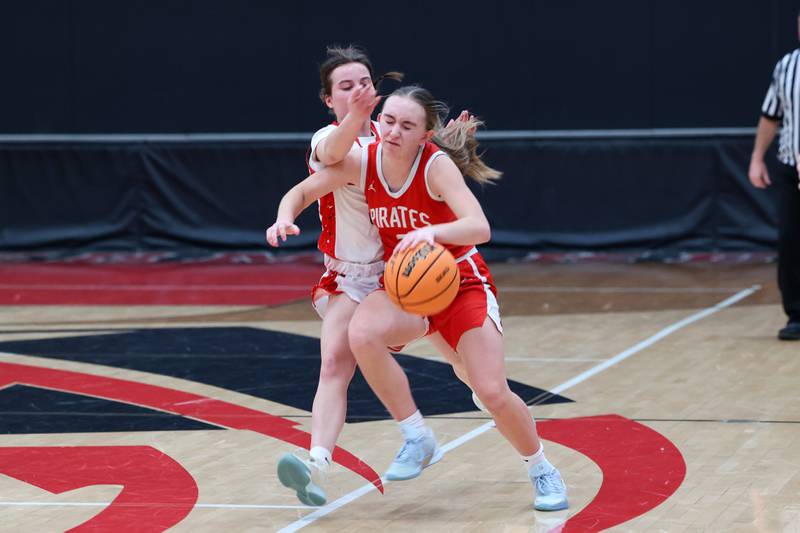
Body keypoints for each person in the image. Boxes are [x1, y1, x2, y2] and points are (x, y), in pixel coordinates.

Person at [268, 85, 568, 512]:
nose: (392, 132)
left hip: (460, 282)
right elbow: (304, 189)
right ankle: (416, 434)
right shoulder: (366, 159)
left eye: (406, 126)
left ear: (425, 135)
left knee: (491, 391)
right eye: (388, 121)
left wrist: (432, 233)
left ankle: (540, 467)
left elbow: (479, 228)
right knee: (362, 333)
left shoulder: (436, 166)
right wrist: (283, 217)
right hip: (408, 285)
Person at [269, 45, 400, 506]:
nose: (357, 91)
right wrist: (285, 217)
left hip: (405, 276)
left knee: (465, 361)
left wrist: (456, 142)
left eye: (363, 83)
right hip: (349, 277)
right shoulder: (328, 137)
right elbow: (333, 152)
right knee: (333, 366)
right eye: (345, 87)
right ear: (329, 100)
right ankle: (316, 466)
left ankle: (485, 399)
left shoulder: (395, 137)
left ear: (376, 90)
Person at [748, 13, 800, 341]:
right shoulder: (787, 66)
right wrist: (756, 158)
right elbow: (771, 115)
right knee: (790, 240)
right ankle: (796, 313)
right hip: (789, 166)